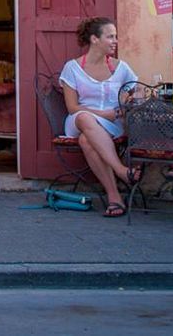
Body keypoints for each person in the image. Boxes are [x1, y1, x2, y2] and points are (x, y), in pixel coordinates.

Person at [59, 16, 141, 217]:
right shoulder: (73, 68)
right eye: (110, 37)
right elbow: (72, 107)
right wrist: (104, 113)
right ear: (95, 39)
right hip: (79, 120)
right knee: (85, 118)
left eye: (116, 36)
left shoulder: (120, 67)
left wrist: (128, 101)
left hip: (111, 125)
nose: (115, 41)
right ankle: (121, 171)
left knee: (87, 141)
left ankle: (114, 198)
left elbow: (138, 90)